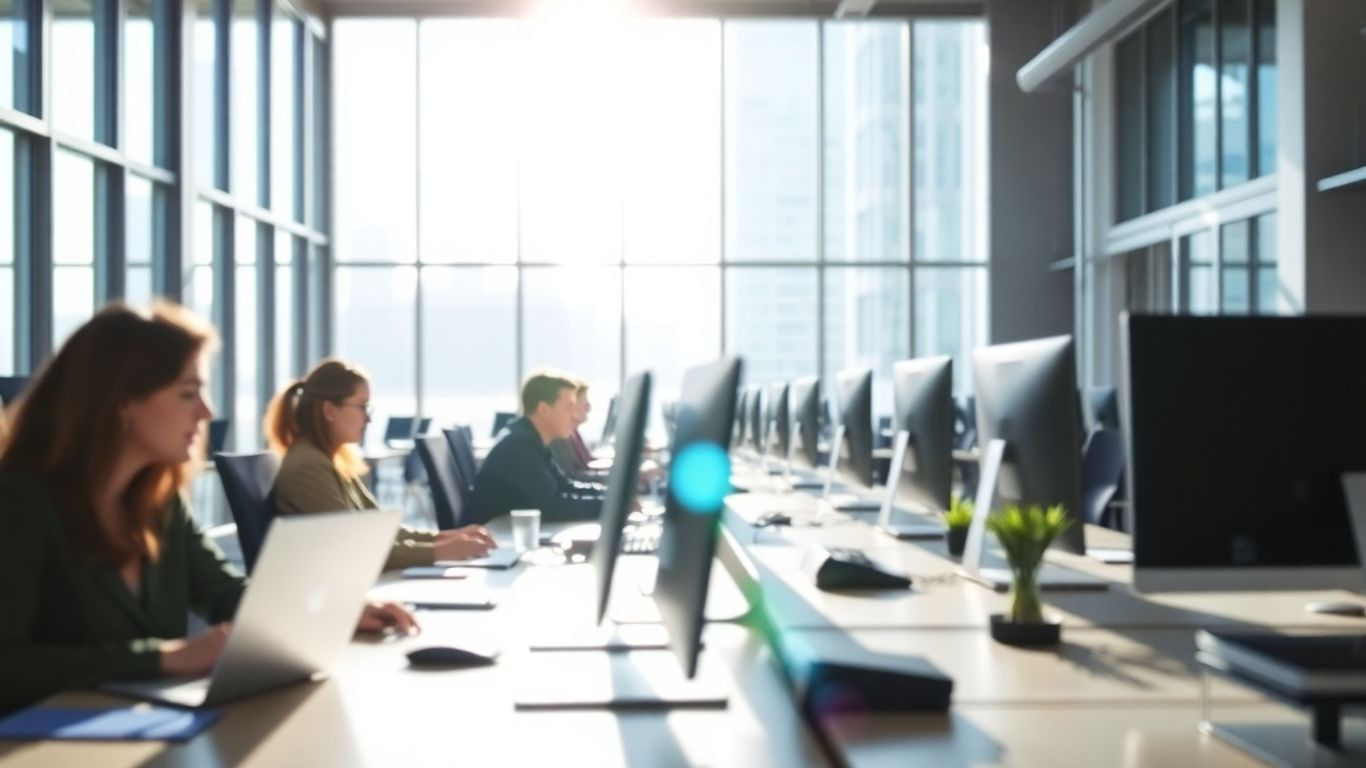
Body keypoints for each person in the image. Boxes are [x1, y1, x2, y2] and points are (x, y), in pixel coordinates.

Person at [0, 302, 418, 715]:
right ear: (122, 401)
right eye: (188, 394)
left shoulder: (158, 502)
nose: (207, 412)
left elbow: (223, 593)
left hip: (135, 737)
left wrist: (338, 611)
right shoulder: (20, 501)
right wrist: (163, 657)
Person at [265, 359, 496, 570]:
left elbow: (379, 529)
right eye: (362, 406)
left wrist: (445, 538)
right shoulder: (309, 467)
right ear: (329, 410)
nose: (369, 418)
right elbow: (354, 549)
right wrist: (440, 551)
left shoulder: (330, 459)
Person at [469, 371, 606, 524]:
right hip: (492, 540)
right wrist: (611, 505)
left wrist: (613, 496)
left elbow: (564, 486)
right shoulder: (519, 447)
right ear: (544, 410)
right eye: (569, 407)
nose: (574, 415)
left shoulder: (532, 440)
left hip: (507, 532)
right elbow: (553, 507)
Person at [548, 380, 605, 481]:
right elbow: (572, 478)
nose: (589, 408)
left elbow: (585, 464)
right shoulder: (560, 437)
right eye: (585, 403)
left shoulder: (572, 433)